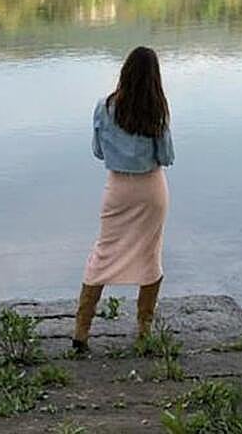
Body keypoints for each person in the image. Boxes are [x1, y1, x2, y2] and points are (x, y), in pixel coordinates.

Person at [72, 46, 175, 352]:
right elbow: (166, 156)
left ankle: (81, 331)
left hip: (117, 189)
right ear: (154, 77)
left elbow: (98, 151)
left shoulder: (104, 106)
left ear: (125, 72)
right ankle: (143, 330)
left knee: (103, 253)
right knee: (150, 254)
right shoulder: (157, 109)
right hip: (151, 190)